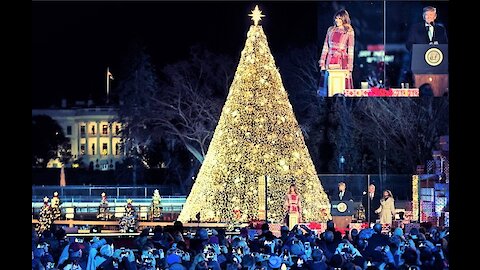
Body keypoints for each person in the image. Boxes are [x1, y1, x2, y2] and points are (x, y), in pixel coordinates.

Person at [318, 9, 355, 89]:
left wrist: (349, 67)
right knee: (329, 88)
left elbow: (351, 50)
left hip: (342, 61)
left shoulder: (349, 31)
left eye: (339, 18)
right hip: (330, 60)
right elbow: (325, 47)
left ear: (344, 19)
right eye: (336, 18)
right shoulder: (330, 30)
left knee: (341, 88)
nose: (337, 20)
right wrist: (322, 63)